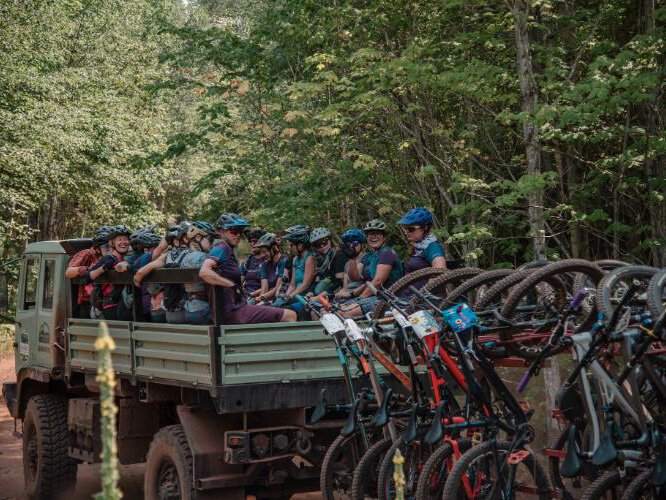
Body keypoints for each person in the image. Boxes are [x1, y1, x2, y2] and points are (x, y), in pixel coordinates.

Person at [199, 213, 297, 324]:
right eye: (233, 231)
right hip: (236, 311)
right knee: (291, 315)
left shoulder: (227, 249)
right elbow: (204, 272)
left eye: (240, 232)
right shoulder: (221, 248)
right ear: (222, 232)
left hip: (233, 308)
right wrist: (231, 285)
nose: (238, 235)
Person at [340, 219, 403, 318]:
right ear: (367, 237)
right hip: (375, 296)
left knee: (346, 312)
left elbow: (377, 282)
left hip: (390, 298)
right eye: (371, 234)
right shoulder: (369, 255)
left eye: (378, 234)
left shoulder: (386, 252)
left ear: (384, 237)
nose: (374, 237)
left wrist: (359, 300)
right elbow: (355, 277)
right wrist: (352, 258)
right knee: (336, 309)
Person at [134, 222, 192, 323]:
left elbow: (139, 273)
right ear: (177, 241)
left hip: (170, 310)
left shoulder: (166, 256)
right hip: (188, 309)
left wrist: (137, 284)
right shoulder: (191, 254)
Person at [65, 226, 111, 318]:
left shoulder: (111, 256)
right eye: (106, 246)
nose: (109, 249)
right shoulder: (87, 253)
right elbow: (68, 272)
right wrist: (86, 270)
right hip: (87, 303)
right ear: (98, 248)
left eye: (111, 246)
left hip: (105, 301)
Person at [88, 225, 131, 320]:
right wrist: (103, 269)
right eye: (119, 239)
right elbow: (87, 276)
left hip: (121, 303)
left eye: (125, 239)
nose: (123, 242)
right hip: (111, 305)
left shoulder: (124, 258)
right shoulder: (109, 258)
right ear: (112, 243)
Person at [398, 207, 446, 281]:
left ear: (425, 227)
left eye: (411, 229)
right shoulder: (418, 246)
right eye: (405, 229)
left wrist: (428, 287)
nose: (406, 232)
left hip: (423, 288)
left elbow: (440, 272)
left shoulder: (432, 247)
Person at [309, 227, 349, 296]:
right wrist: (310, 293)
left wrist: (320, 296)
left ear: (330, 240)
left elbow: (340, 282)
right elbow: (317, 280)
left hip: (336, 293)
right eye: (317, 245)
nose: (322, 246)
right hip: (322, 293)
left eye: (324, 242)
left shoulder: (339, 255)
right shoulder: (320, 260)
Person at [252, 232, 288, 303]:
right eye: (261, 252)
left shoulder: (283, 262)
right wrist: (259, 300)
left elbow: (278, 287)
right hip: (267, 298)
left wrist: (260, 298)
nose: (263, 255)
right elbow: (264, 287)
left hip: (279, 298)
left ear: (273, 248)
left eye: (264, 251)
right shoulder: (264, 264)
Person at [335, 229, 366, 300]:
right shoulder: (347, 263)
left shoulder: (366, 257)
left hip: (359, 295)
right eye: (348, 244)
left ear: (362, 244)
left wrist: (350, 294)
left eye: (355, 243)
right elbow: (345, 288)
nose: (351, 246)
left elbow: (357, 277)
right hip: (347, 296)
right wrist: (337, 294)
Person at [241, 228, 267, 296]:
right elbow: (239, 281)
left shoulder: (267, 261)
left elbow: (269, 286)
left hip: (259, 296)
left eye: (255, 241)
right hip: (244, 294)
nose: (252, 244)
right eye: (250, 241)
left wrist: (252, 295)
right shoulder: (247, 261)